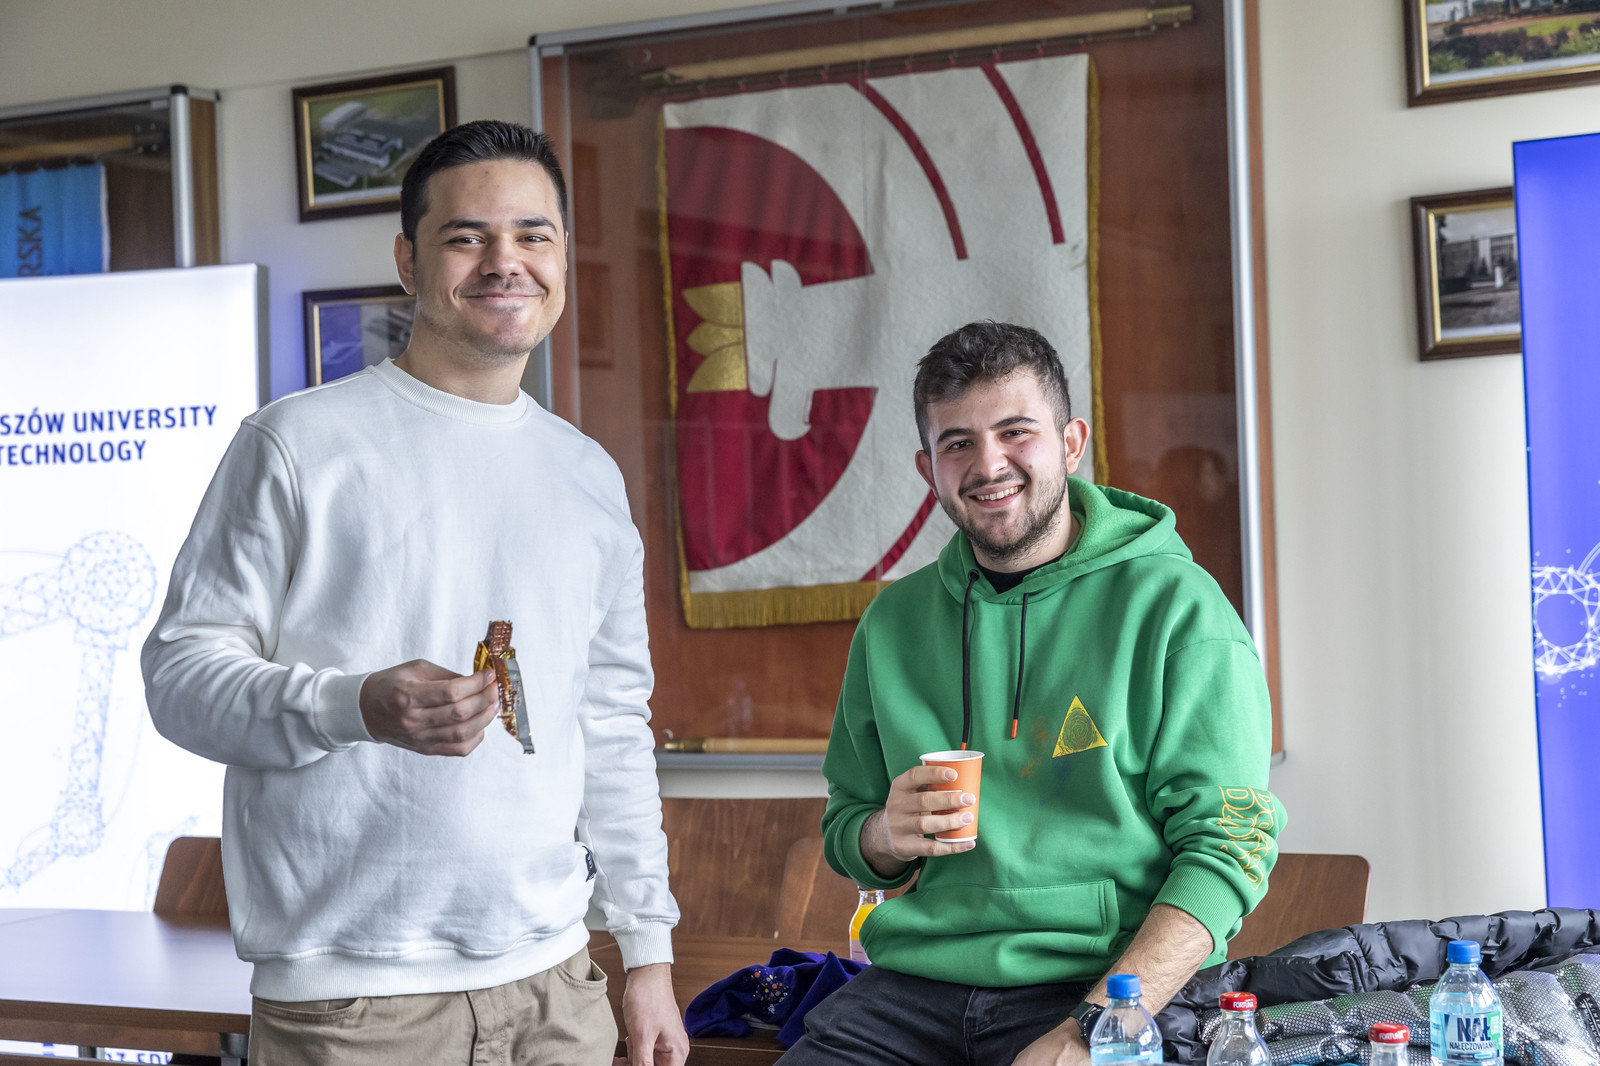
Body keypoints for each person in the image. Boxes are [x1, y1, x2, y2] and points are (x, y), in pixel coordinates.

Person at [142, 120, 689, 1066]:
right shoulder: (295, 446)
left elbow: (610, 724)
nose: (505, 261)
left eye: (533, 235)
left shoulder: (587, 476)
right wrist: (351, 705)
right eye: (467, 236)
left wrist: (647, 954)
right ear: (408, 261)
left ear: (563, 258)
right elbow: (179, 679)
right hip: (352, 1003)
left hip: (558, 992)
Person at [780, 321, 1285, 1066]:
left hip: (1103, 984)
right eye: (958, 443)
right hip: (915, 984)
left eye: (1016, 432)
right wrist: (883, 835)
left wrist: (1098, 1029)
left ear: (1071, 443)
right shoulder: (891, 624)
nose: (989, 465)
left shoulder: (1180, 610)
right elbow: (847, 830)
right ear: (928, 468)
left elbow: (1230, 847)